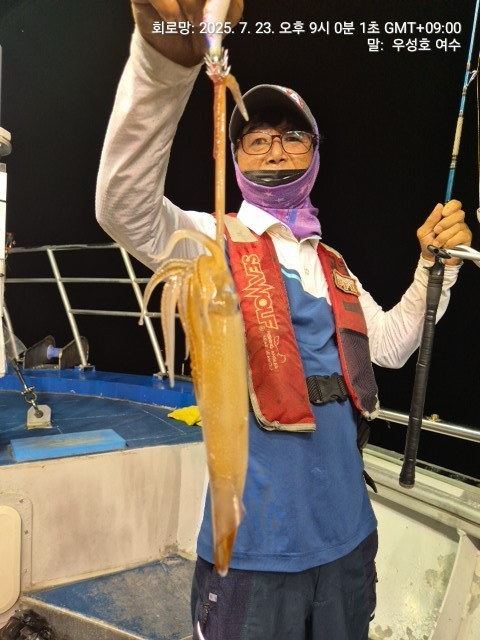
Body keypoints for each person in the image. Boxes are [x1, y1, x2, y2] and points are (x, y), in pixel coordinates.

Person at [96, 2, 473, 638]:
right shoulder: (207, 240)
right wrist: (163, 68)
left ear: (316, 152)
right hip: (253, 550)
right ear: (235, 156)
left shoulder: (332, 263)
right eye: (258, 138)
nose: (276, 147)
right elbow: (123, 208)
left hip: (349, 539)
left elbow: (390, 346)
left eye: (293, 136)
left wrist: (435, 270)